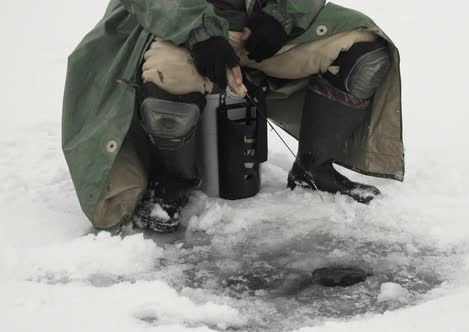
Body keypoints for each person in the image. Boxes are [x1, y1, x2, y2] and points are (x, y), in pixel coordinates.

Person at [62, 0, 404, 233]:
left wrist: (281, 15)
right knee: (170, 76)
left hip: (257, 34)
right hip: (176, 30)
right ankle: (173, 182)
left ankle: (314, 168)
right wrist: (201, 34)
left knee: (365, 54)